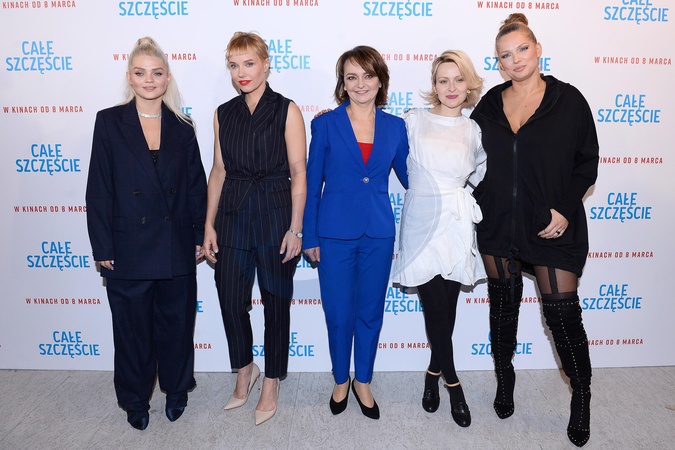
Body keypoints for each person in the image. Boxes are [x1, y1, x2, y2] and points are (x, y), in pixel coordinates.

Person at [470, 13, 599, 447]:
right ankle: (504, 378)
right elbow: (468, 155)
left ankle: (581, 393)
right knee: (502, 310)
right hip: (498, 224)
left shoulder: (569, 100)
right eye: (506, 55)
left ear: (538, 49)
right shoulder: (490, 104)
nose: (516, 59)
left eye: (522, 49)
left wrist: (565, 208)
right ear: (499, 63)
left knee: (562, 315)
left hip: (551, 224)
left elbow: (587, 162)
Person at [85, 37, 207, 431]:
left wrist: (199, 235)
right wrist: (102, 245)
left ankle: (176, 390)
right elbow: (99, 188)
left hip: (175, 246)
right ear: (129, 77)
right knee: (132, 332)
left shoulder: (183, 127)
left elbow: (196, 187)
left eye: (156, 73)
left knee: (177, 326)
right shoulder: (109, 122)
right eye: (140, 73)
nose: (149, 80)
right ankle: (135, 399)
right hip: (127, 247)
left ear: (167, 77)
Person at [202, 31, 307, 426]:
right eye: (234, 65)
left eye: (249, 63)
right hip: (232, 215)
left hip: (276, 216)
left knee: (276, 304)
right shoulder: (223, 113)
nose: (241, 72)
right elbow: (218, 171)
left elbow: (299, 172)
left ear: (266, 65)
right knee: (230, 299)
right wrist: (208, 224)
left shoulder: (287, 110)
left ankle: (272, 380)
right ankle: (245, 368)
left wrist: (296, 228)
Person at [302, 46, 409, 420]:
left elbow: (411, 179)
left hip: (378, 233)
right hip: (332, 233)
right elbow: (312, 183)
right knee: (338, 313)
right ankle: (340, 379)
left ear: (380, 81)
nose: (360, 84)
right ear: (343, 84)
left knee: (370, 312)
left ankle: (363, 379)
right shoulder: (325, 124)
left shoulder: (397, 127)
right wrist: (309, 236)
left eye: (368, 75)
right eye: (352, 77)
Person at [392, 50, 486, 428]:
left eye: (458, 79)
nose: (451, 87)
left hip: (457, 223)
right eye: (443, 80)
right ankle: (454, 385)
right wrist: (334, 118)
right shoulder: (413, 120)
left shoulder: (473, 130)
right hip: (421, 223)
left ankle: (433, 375)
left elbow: (482, 176)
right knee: (434, 307)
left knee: (447, 308)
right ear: (433, 85)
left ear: (468, 84)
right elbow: (375, 134)